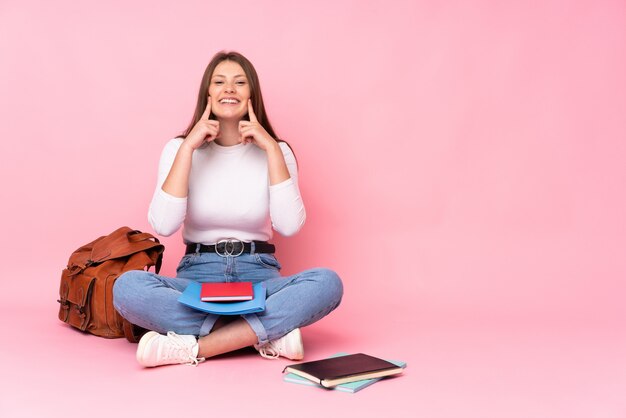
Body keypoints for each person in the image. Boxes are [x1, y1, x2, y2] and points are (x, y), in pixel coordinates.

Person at [112, 51, 344, 368]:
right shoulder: (179, 148)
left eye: (239, 83)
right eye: (219, 82)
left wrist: (272, 150)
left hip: (259, 274)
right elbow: (164, 225)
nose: (229, 90)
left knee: (327, 283)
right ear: (207, 94)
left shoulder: (278, 150)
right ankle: (262, 334)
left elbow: (289, 225)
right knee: (127, 288)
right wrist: (188, 149)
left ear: (252, 94)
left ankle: (194, 348)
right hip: (197, 275)